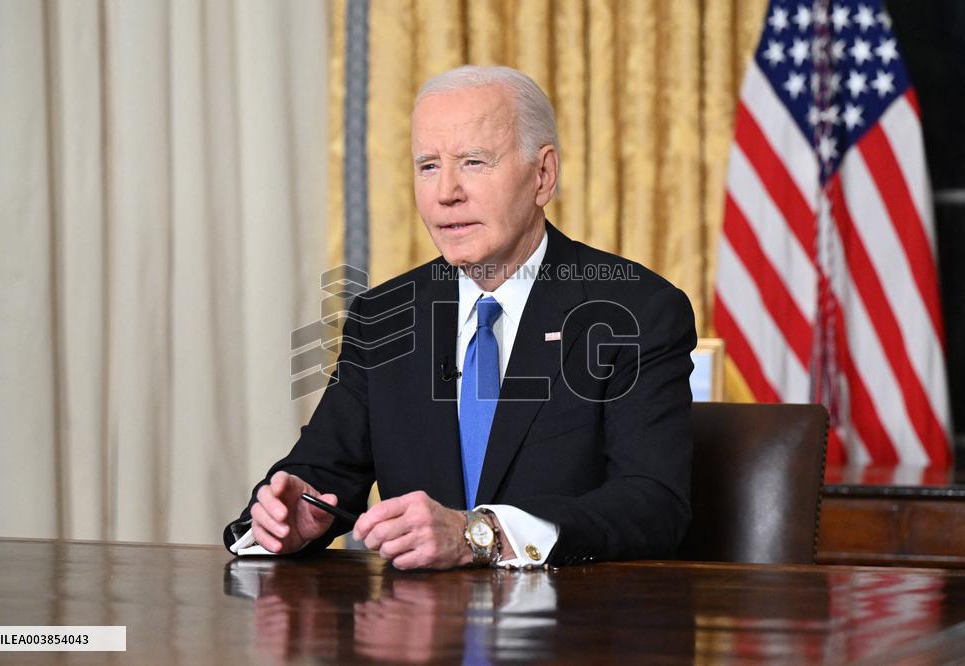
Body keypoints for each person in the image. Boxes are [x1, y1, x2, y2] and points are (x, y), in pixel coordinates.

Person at [224, 65, 696, 569]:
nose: (446, 192)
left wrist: (480, 534)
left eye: (473, 162)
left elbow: (653, 505)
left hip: (571, 630)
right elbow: (321, 471)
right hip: (419, 634)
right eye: (428, 166)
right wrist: (287, 517)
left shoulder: (636, 311)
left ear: (543, 175)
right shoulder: (385, 316)